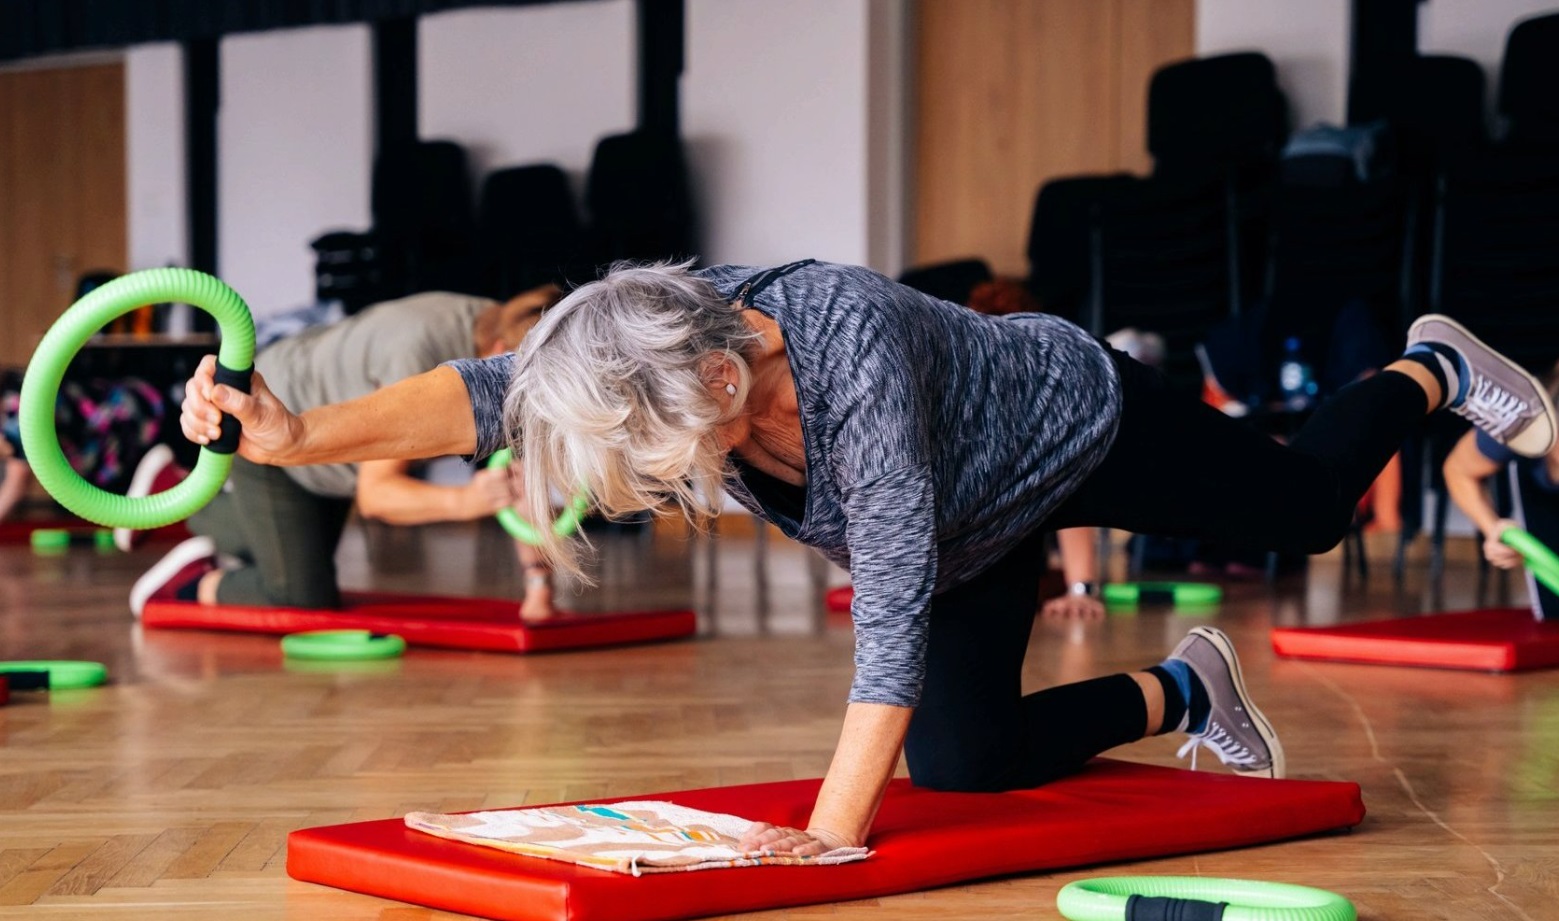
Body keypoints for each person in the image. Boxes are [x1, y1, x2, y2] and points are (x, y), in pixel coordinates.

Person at [176, 260, 1557, 857]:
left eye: (668, 449)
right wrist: (291, 436)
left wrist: (824, 842)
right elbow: (484, 394)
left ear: (729, 379)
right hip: (970, 521)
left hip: (1071, 431)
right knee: (964, 764)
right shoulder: (644, 328)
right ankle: (1187, 692)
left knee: (1309, 508)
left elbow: (885, 609)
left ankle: (1425, 368)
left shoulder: (845, 358)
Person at [132, 286, 563, 619]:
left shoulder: (502, 323)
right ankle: (187, 578)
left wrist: (538, 587)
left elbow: (521, 477)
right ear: (499, 357)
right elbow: (377, 496)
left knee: (291, 551)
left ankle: (169, 489)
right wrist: (466, 501)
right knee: (302, 598)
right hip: (273, 427)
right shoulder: (425, 357)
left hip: (327, 445)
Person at [1443, 361, 1559, 619]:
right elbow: (1458, 471)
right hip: (1540, 489)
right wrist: (1492, 527)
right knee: (1553, 613)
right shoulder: (1522, 421)